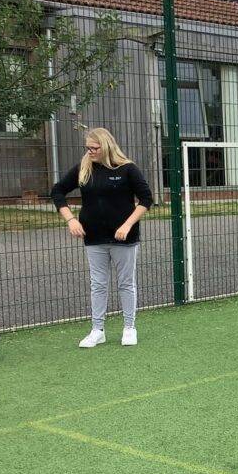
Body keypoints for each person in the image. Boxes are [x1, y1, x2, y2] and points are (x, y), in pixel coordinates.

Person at [52, 128, 153, 347]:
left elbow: (146, 199)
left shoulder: (127, 169)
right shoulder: (83, 168)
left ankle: (129, 327)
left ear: (106, 146)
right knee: (98, 284)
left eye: (94, 148)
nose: (90, 152)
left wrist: (127, 225)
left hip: (123, 238)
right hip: (94, 237)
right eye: (88, 148)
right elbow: (57, 191)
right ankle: (97, 330)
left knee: (126, 283)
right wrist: (70, 219)